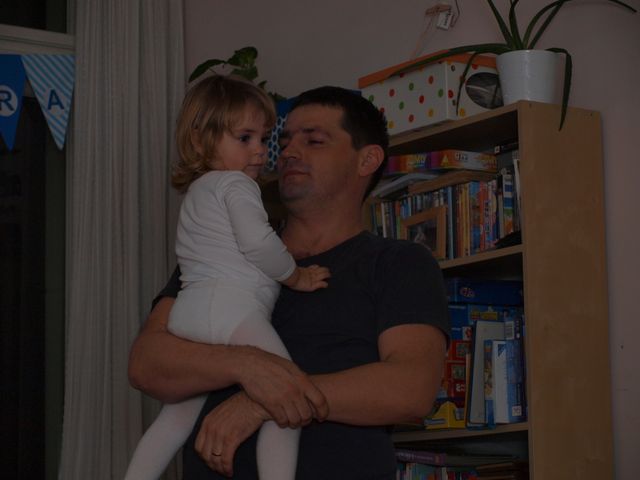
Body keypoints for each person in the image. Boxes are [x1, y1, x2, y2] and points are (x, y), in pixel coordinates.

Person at [128, 86, 450, 479]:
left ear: (367, 159)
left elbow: (411, 389)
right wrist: (248, 366)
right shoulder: (220, 253)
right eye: (282, 142)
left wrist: (264, 401)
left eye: (313, 140)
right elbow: (146, 363)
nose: (287, 152)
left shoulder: (398, 262)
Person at [124, 75, 330, 480]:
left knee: (175, 419)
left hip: (189, 313)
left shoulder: (200, 191)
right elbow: (258, 243)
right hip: (232, 311)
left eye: (263, 139)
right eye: (245, 138)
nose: (259, 151)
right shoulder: (237, 184)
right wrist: (297, 276)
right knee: (286, 397)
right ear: (201, 141)